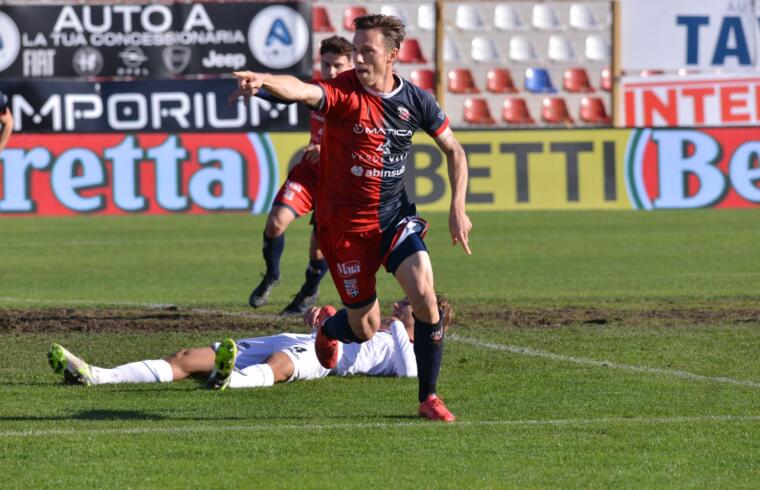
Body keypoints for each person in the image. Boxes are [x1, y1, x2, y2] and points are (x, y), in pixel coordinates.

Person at [232, 14, 472, 422]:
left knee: (425, 295)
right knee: (364, 327)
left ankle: (428, 397)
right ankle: (328, 329)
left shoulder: (416, 100)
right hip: (343, 229)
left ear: (393, 56)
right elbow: (301, 91)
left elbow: (455, 150)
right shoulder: (342, 94)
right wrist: (264, 81)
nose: (357, 59)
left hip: (394, 219)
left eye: (367, 51)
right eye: (355, 50)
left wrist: (457, 208)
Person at [47, 296, 453, 390]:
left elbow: (414, 373)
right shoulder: (378, 323)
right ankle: (97, 375)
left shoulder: (408, 348)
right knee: (187, 357)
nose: (400, 302)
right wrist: (321, 313)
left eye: (409, 304)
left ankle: (230, 381)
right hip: (301, 337)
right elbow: (338, 318)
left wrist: (401, 324)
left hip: (322, 357)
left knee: (279, 364)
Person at [248, 35, 355, 315]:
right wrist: (258, 88)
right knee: (275, 223)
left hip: (338, 180)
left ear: (351, 65)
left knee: (319, 249)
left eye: (339, 66)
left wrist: (331, 150)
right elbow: (289, 93)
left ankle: (308, 292)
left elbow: (367, 142)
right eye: (327, 65)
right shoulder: (319, 89)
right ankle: (272, 275)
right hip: (309, 172)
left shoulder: (358, 97)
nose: (332, 72)